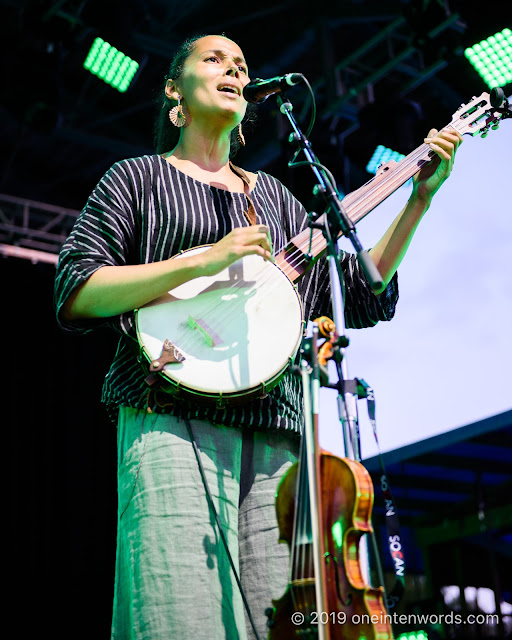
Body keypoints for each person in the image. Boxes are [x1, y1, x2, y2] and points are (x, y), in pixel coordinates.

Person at [54, 34, 462, 640]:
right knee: (181, 603)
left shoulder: (275, 198)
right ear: (175, 90)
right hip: (166, 409)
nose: (234, 71)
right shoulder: (136, 178)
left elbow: (365, 290)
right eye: (214, 60)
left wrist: (417, 202)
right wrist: (200, 261)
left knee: (284, 612)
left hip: (277, 426)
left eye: (242, 66)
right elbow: (78, 288)